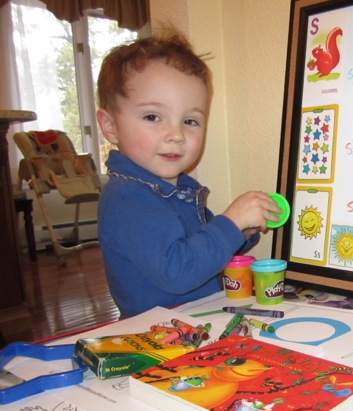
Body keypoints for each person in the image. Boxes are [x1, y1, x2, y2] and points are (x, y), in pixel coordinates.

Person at [96, 30, 280, 318]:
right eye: (152, 117)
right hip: (157, 333)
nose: (176, 135)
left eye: (190, 121)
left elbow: (201, 252)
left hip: (195, 321)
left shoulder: (178, 191)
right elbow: (179, 271)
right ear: (110, 126)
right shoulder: (128, 198)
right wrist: (231, 222)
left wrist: (240, 233)